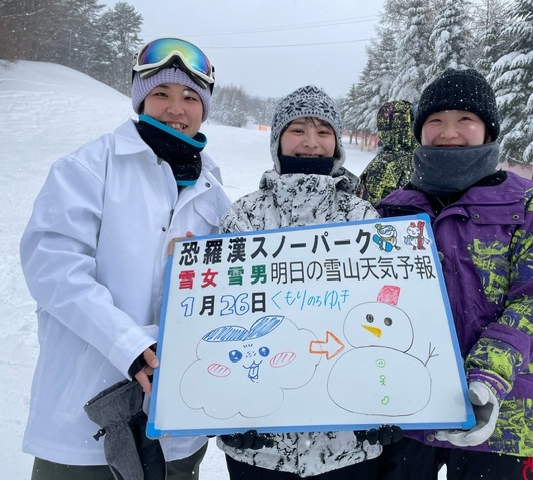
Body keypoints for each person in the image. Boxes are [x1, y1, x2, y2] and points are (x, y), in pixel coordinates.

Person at [20, 37, 231, 480]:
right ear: (140, 99)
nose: (177, 108)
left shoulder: (213, 193)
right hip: (84, 431)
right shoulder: (90, 167)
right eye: (161, 94)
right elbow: (53, 268)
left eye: (190, 97)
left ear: (204, 107)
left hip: (177, 429)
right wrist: (129, 345)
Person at [374, 68, 533, 480]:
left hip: (507, 416)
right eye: (436, 120)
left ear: (487, 129)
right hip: (408, 414)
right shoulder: (392, 209)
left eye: (465, 120)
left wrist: (485, 379)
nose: (449, 132)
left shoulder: (528, 201)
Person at [217, 84, 402, 479]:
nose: (311, 143)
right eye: (298, 129)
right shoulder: (245, 215)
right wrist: (228, 404)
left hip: (347, 441)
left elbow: (382, 311)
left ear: (336, 143)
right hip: (261, 442)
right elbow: (221, 313)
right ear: (278, 139)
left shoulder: (361, 215)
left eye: (323, 132)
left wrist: (387, 399)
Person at [357, 100, 418, 203]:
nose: (416, 131)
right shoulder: (382, 166)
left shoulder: (414, 157)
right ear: (401, 129)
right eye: (411, 126)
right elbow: (365, 211)